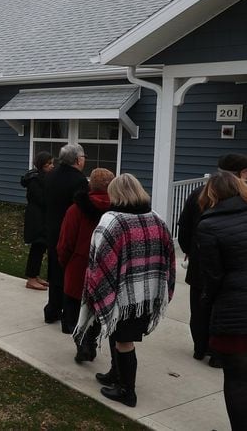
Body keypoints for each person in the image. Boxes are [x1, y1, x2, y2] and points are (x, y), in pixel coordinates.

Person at [73, 174, 175, 408]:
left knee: (124, 341)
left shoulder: (112, 220)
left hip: (122, 294)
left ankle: (127, 391)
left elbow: (99, 260)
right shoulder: (156, 218)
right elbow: (169, 254)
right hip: (146, 293)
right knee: (117, 334)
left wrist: (94, 288)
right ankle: (115, 374)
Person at [178, 153, 247, 367]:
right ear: (241, 173)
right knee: (219, 308)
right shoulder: (243, 196)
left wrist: (190, 251)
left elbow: (184, 227)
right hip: (229, 266)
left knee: (199, 308)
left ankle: (200, 348)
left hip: (200, 263)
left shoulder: (199, 193)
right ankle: (217, 353)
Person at [196, 172, 247, 430]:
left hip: (234, 312)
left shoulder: (209, 225)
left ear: (212, 193)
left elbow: (212, 275)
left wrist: (207, 301)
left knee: (237, 380)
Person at [57, 167, 114, 361]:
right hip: (107, 270)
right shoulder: (118, 211)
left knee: (75, 310)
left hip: (79, 267)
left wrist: (65, 262)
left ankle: (82, 344)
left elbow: (65, 242)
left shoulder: (76, 210)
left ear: (90, 185)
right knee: (98, 309)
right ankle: (91, 342)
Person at [43, 144, 89, 330]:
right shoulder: (79, 181)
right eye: (84, 156)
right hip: (70, 233)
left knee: (54, 270)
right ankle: (68, 317)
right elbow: (82, 210)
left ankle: (52, 310)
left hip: (51, 229)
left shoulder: (50, 175)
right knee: (69, 274)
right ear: (78, 160)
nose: (84, 159)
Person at [21, 151, 54, 291]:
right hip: (36, 218)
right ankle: (31, 278)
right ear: (42, 165)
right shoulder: (35, 180)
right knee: (37, 247)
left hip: (43, 217)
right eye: (49, 164)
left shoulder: (43, 177)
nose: (52, 166)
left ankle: (35, 275)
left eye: (52, 163)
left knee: (41, 248)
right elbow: (41, 199)